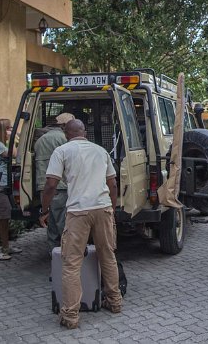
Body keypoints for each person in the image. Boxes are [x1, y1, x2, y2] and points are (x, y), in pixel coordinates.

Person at [40, 119, 122, 329]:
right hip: (102, 208)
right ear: (84, 132)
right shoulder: (100, 151)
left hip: (78, 211)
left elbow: (50, 184)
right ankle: (114, 302)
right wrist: (111, 209)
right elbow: (112, 183)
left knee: (71, 263)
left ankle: (70, 316)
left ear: (66, 133)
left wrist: (44, 210)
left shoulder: (62, 151)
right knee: (107, 255)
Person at [35, 112, 74, 249]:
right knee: (63, 223)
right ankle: (67, 254)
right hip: (61, 186)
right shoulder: (64, 138)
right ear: (65, 126)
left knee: (51, 223)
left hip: (44, 187)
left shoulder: (40, 139)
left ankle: (54, 253)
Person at [0, 118, 20, 260]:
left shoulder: (0, 144)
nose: (11, 131)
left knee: (4, 218)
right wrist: (12, 139)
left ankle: (5, 246)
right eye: (9, 129)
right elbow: (14, 154)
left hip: (4, 185)